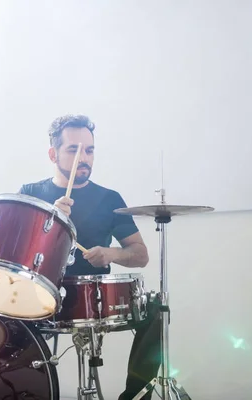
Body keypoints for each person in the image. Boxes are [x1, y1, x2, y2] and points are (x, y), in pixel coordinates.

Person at [18, 114, 162, 400]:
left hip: (93, 297)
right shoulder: (31, 194)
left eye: (89, 150)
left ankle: (134, 394)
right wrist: (53, 219)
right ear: (52, 154)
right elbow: (19, 255)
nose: (83, 157)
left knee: (156, 308)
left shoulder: (109, 199)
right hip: (43, 295)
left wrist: (111, 253)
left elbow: (140, 254)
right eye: (73, 149)